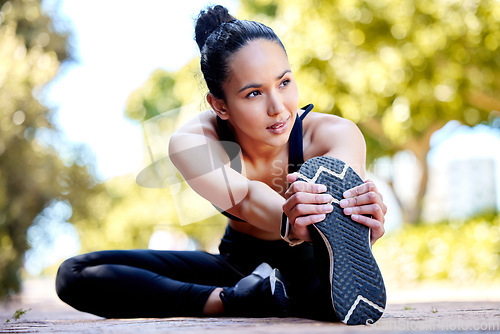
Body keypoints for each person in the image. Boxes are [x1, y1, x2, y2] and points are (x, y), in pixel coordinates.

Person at [56, 5, 387, 325]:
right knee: (74, 275)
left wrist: (358, 217)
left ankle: (284, 295)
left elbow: (344, 208)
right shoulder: (193, 143)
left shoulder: (335, 135)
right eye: (253, 94)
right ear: (220, 105)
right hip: (238, 267)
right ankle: (235, 300)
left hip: (311, 260)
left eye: (284, 83)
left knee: (323, 288)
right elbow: (244, 198)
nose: (278, 108)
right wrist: (290, 222)